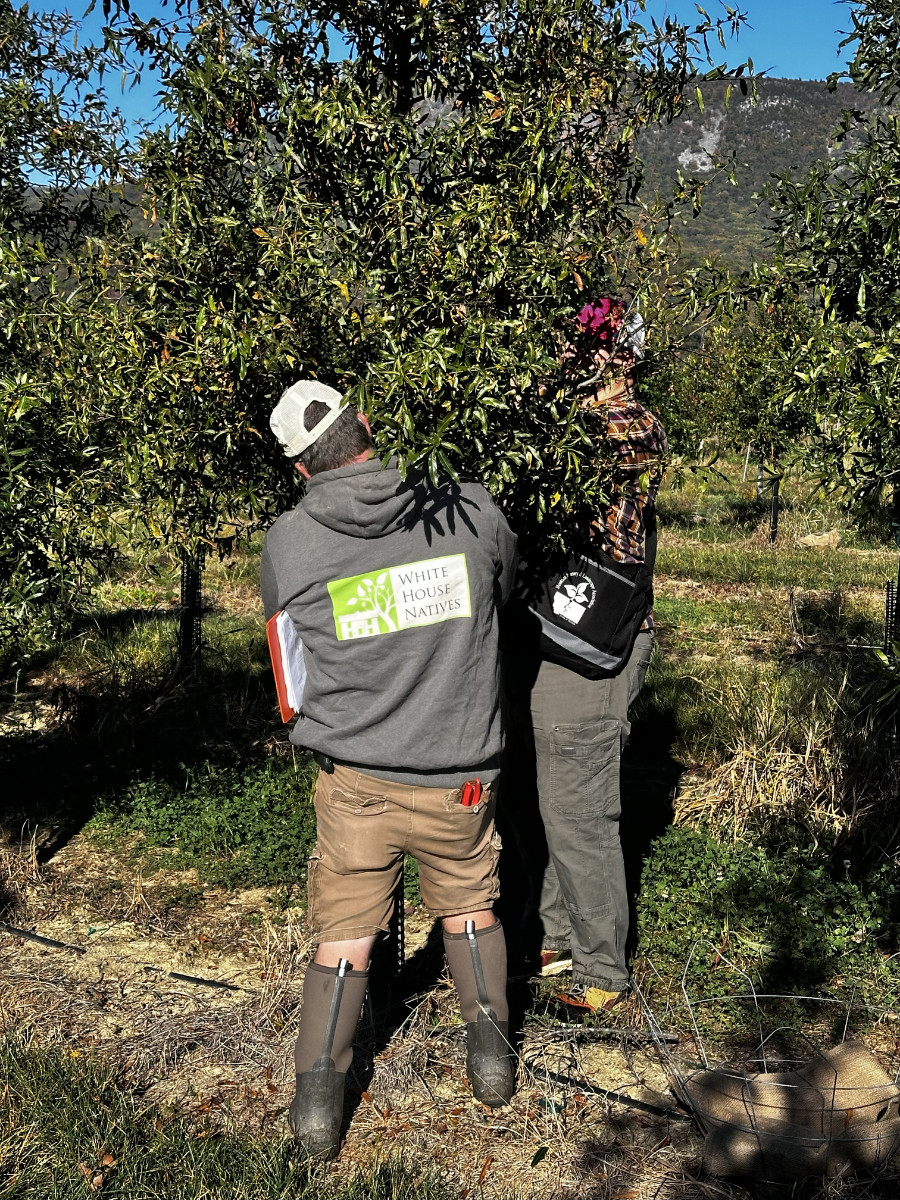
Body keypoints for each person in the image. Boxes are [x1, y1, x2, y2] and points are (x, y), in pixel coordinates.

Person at [260, 379, 518, 1158]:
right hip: (460, 776)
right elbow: (501, 589)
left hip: (356, 783)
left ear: (301, 469)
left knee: (342, 936)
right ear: (364, 424)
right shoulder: (467, 507)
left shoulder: (290, 542)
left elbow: (288, 672)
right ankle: (492, 1065)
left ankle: (316, 1110)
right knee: (471, 906)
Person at [500, 297, 667, 1014]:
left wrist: (539, 393)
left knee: (576, 808)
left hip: (595, 646)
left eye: (582, 349)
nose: (568, 360)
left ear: (615, 358)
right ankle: (557, 933)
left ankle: (602, 972)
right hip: (559, 633)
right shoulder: (582, 416)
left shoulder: (629, 425)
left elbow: (587, 449)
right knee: (541, 797)